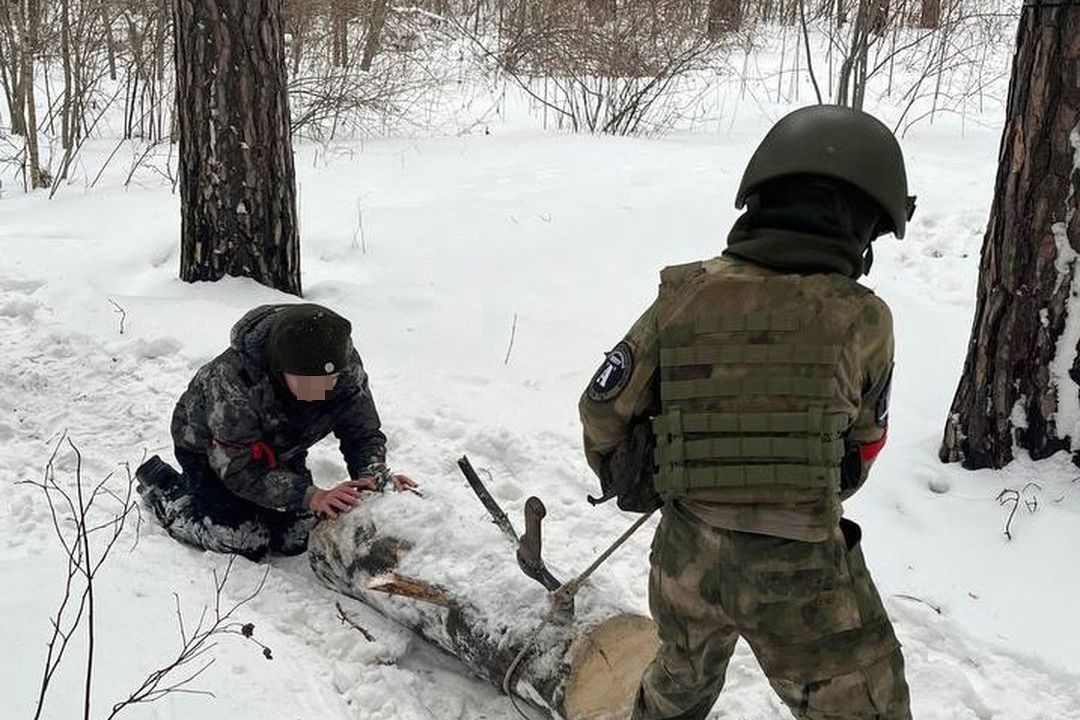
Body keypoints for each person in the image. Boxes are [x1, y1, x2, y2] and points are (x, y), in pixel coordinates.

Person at [578, 105, 915, 720]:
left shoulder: (684, 295)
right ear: (864, 225)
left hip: (685, 556)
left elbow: (602, 410)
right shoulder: (863, 318)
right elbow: (863, 449)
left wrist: (654, 473)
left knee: (677, 686)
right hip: (799, 570)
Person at [136, 303, 415, 560]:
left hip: (281, 448)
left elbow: (362, 431)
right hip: (211, 452)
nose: (321, 392)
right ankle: (167, 489)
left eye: (329, 381)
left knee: (297, 537)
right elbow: (238, 469)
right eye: (308, 382)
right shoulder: (233, 381)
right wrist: (311, 495)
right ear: (280, 370)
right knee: (243, 542)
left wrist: (372, 474)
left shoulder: (341, 365)